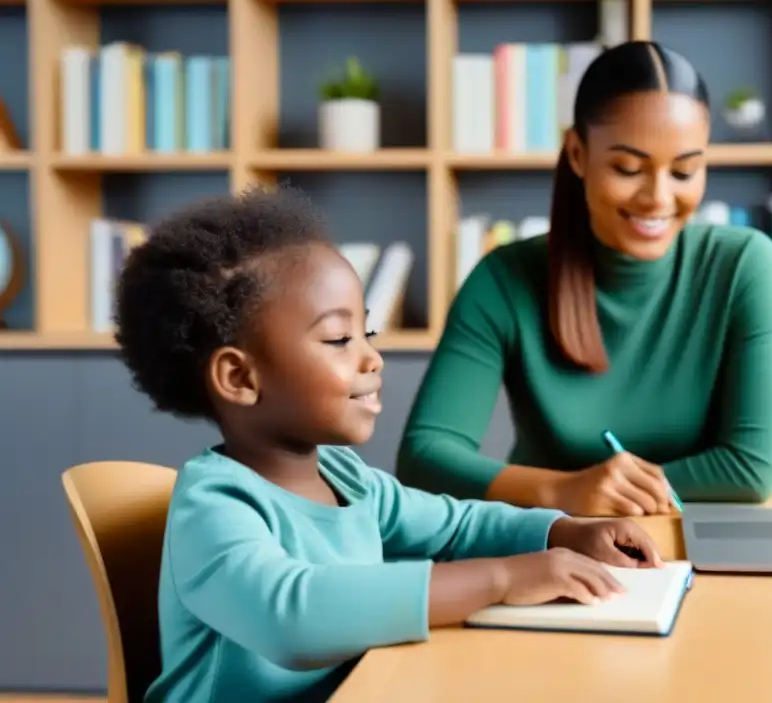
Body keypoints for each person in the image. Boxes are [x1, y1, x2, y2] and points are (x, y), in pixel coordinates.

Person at [115, 187, 663, 703]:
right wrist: (504, 578)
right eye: (338, 339)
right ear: (239, 377)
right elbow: (292, 616)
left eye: (366, 334)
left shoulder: (346, 478)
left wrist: (563, 530)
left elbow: (455, 526)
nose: (371, 358)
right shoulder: (214, 506)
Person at [397, 40, 772, 516]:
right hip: (544, 541)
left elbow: (751, 469)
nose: (658, 197)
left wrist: (612, 493)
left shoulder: (745, 266)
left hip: (689, 546)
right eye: (628, 168)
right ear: (578, 153)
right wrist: (565, 492)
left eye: (685, 171)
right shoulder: (504, 279)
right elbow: (425, 456)